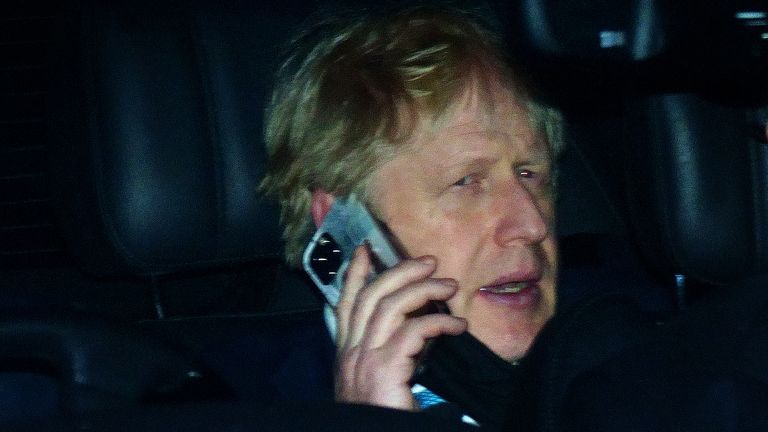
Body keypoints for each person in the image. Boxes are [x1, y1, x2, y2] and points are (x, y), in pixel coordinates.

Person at [260, 3, 563, 425]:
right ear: (346, 226)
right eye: (466, 182)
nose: (531, 226)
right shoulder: (240, 407)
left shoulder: (636, 349)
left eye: (530, 174)